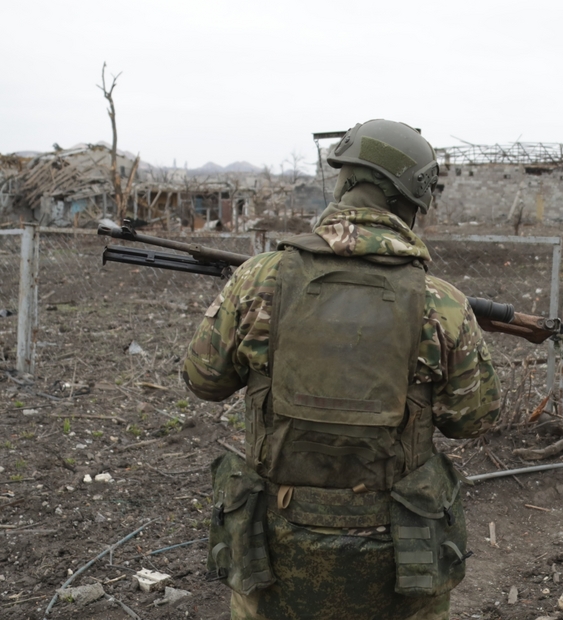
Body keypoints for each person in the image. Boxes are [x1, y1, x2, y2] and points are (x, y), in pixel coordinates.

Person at [183, 119, 501, 620]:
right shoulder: (442, 304)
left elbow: (203, 381)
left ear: (345, 183)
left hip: (272, 542)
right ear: (410, 199)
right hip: (401, 549)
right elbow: (473, 419)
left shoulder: (257, 280)